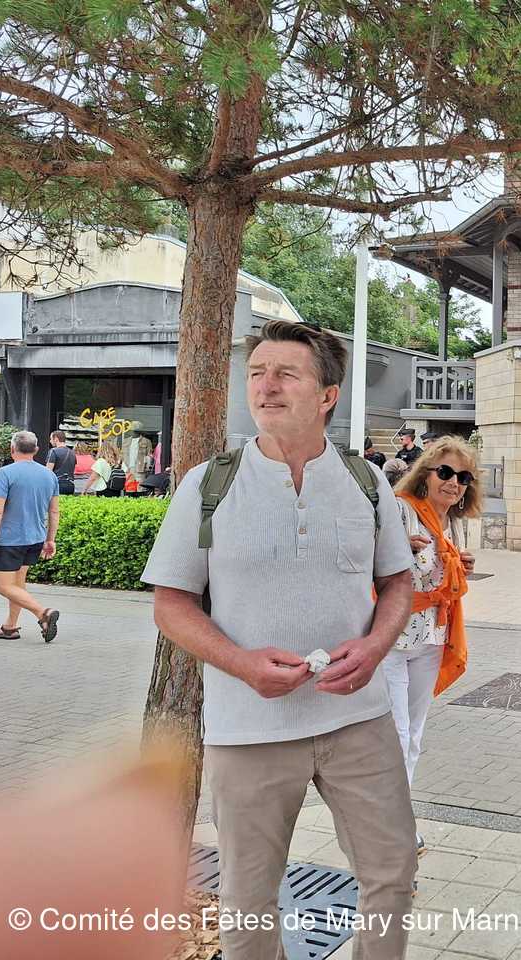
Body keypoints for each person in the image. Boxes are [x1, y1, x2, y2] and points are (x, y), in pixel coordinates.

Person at [141, 319, 417, 960]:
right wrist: (241, 664)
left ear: (328, 395)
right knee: (248, 898)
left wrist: (375, 646)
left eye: (286, 374)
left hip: (359, 721)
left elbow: (398, 583)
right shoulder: (208, 485)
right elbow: (170, 605)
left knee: (392, 875)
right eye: (257, 373)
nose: (265, 386)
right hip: (248, 729)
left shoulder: (365, 481)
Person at [385, 436, 479, 860]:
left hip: (430, 638)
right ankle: (394, 831)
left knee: (413, 736)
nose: (454, 482)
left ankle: (394, 823)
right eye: (445, 472)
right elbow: (362, 554)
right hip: (392, 638)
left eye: (463, 477)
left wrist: (460, 564)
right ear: (425, 473)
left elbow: (440, 574)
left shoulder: (451, 522)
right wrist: (394, 548)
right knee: (396, 735)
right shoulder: (400, 508)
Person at [0, 431, 60, 642]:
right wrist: (50, 539)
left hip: (11, 539)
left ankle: (43, 613)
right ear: (36, 450)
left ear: (12, 449)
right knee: (17, 583)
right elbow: (54, 511)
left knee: (2, 585)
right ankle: (10, 627)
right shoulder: (49, 475)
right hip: (35, 538)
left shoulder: (5, 473)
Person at [45, 430, 77, 496]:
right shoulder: (72, 453)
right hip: (70, 485)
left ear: (56, 439)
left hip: (57, 484)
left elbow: (48, 472)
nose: (50, 441)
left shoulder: (53, 451)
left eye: (51, 439)